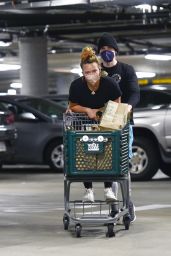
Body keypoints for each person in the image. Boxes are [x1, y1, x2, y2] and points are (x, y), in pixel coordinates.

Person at [68, 46, 122, 203]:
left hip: (105, 123)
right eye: (87, 72)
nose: (91, 75)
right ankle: (88, 190)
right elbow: (72, 105)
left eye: (94, 71)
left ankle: (108, 189)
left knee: (107, 153)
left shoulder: (110, 84)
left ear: (100, 69)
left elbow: (117, 103)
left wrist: (100, 112)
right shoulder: (77, 86)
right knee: (85, 152)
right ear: (83, 73)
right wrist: (87, 110)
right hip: (84, 124)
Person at [97, 33, 140, 222]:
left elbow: (135, 93)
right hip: (103, 124)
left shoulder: (126, 69)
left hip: (123, 124)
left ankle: (127, 203)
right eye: (103, 50)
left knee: (122, 167)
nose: (107, 52)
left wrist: (127, 107)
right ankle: (114, 207)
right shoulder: (96, 71)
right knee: (107, 166)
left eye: (109, 49)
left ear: (115, 50)